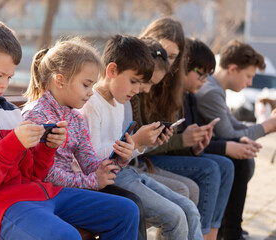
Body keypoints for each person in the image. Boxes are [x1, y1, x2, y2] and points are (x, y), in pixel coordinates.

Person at [0, 21, 139, 240]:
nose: (4, 85)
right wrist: (13, 143)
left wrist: (48, 148)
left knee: (126, 211)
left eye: (9, 77)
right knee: (65, 236)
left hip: (38, 193)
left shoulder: (9, 111)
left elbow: (32, 173)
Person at [22, 38, 147, 240]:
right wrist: (91, 182)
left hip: (68, 193)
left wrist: (120, 158)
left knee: (129, 208)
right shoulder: (37, 115)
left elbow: (90, 164)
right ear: (60, 80)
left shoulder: (75, 118)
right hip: (42, 194)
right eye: (86, 85)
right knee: (126, 210)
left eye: (92, 85)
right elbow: (45, 174)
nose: (91, 92)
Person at [80, 34, 203, 240]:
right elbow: (89, 159)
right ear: (111, 70)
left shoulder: (119, 103)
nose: (137, 90)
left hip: (124, 172)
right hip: (108, 181)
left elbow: (122, 156)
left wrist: (143, 144)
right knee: (175, 217)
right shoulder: (91, 104)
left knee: (189, 208)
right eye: (133, 81)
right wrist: (135, 141)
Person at [138, 18, 234, 240]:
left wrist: (194, 145)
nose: (165, 61)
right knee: (209, 170)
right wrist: (183, 141)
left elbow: (165, 141)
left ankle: (208, 234)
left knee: (224, 166)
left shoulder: (171, 87)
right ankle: (200, 235)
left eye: (172, 57)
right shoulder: (139, 84)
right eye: (161, 52)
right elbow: (145, 145)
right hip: (141, 160)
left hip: (150, 155)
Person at [195, 40, 274, 240]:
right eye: (248, 76)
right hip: (196, 149)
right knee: (240, 159)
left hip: (205, 146)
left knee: (243, 155)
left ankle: (227, 228)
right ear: (232, 69)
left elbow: (237, 127)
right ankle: (231, 231)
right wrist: (269, 125)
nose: (249, 83)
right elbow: (229, 135)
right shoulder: (211, 90)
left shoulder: (216, 88)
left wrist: (267, 124)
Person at [124, 37, 200, 205]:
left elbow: (139, 147)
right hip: (128, 168)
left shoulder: (138, 96)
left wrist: (153, 142)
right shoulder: (128, 98)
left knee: (192, 187)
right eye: (148, 82)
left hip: (136, 163)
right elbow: (122, 150)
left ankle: (201, 232)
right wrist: (141, 142)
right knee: (185, 188)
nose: (146, 89)